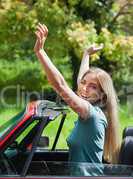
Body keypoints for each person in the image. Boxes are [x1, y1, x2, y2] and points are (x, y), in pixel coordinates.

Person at [34, 23, 120, 168]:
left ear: (102, 96)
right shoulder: (91, 110)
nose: (84, 89)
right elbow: (81, 82)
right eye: (84, 83)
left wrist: (40, 51)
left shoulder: (92, 115)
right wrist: (86, 54)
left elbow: (60, 85)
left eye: (93, 87)